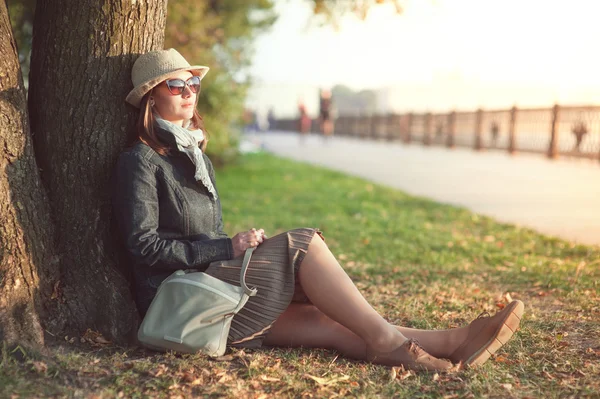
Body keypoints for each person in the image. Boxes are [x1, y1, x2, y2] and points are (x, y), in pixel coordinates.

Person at [112, 49, 524, 372]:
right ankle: (393, 345)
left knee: (327, 322)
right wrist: (227, 248)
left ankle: (455, 341)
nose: (189, 91)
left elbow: (210, 233)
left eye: (194, 83)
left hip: (212, 289)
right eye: (177, 85)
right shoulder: (141, 161)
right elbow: (145, 247)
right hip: (182, 304)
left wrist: (236, 246)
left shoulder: (194, 153)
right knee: (303, 243)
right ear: (152, 96)